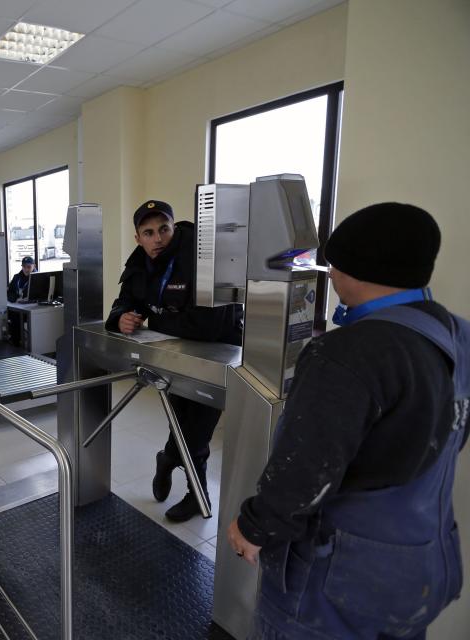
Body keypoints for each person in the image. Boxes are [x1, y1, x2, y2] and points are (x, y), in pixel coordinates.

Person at [227, 203, 468, 640]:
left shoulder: (345, 354)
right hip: (421, 568)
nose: (331, 277)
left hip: (337, 583)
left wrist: (253, 526)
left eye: (335, 266)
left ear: (356, 271)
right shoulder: (458, 334)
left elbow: (304, 469)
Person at [106, 200, 242, 522]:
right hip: (173, 357)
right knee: (182, 421)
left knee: (197, 430)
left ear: (173, 227)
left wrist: (154, 319)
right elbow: (122, 304)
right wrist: (120, 319)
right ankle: (177, 469)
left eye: (163, 229)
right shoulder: (140, 262)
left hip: (216, 357)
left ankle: (186, 480)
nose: (158, 239)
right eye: (148, 233)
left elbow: (207, 325)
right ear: (138, 237)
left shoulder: (202, 257)